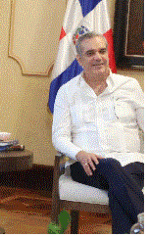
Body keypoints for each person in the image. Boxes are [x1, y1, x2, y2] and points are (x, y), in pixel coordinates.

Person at [53, 32, 143, 234]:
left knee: (118, 189)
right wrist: (79, 154)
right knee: (111, 167)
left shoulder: (129, 86)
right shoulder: (67, 92)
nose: (98, 57)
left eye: (102, 51)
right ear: (79, 60)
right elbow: (59, 137)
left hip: (131, 163)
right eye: (90, 53)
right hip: (87, 166)